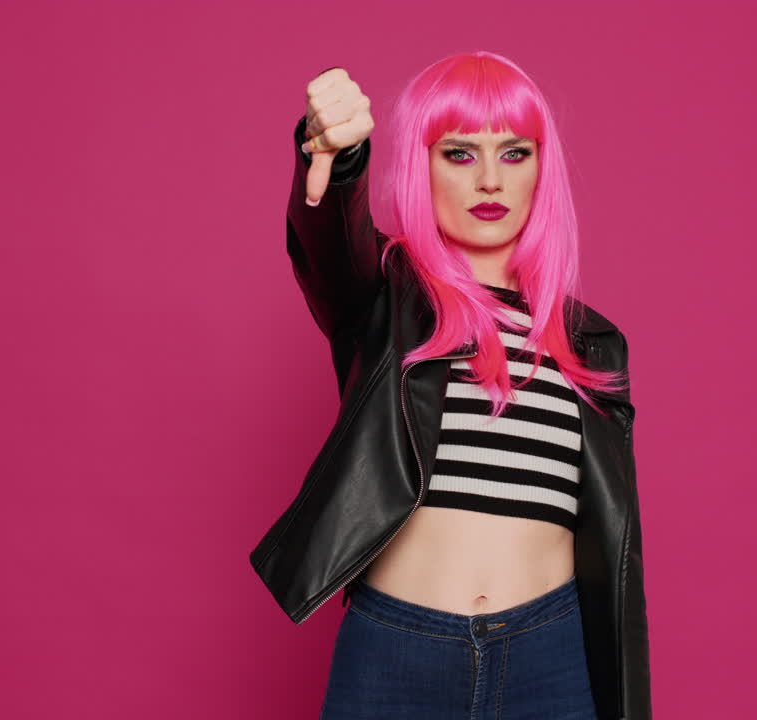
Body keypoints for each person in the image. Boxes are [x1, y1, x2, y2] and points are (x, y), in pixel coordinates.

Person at [249, 52, 652, 720]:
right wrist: (337, 159)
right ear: (422, 166)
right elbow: (329, 249)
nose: (489, 178)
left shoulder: (591, 343)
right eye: (459, 154)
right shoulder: (387, 301)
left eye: (515, 153)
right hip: (397, 649)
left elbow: (615, 555)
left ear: (541, 171)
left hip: (548, 659)